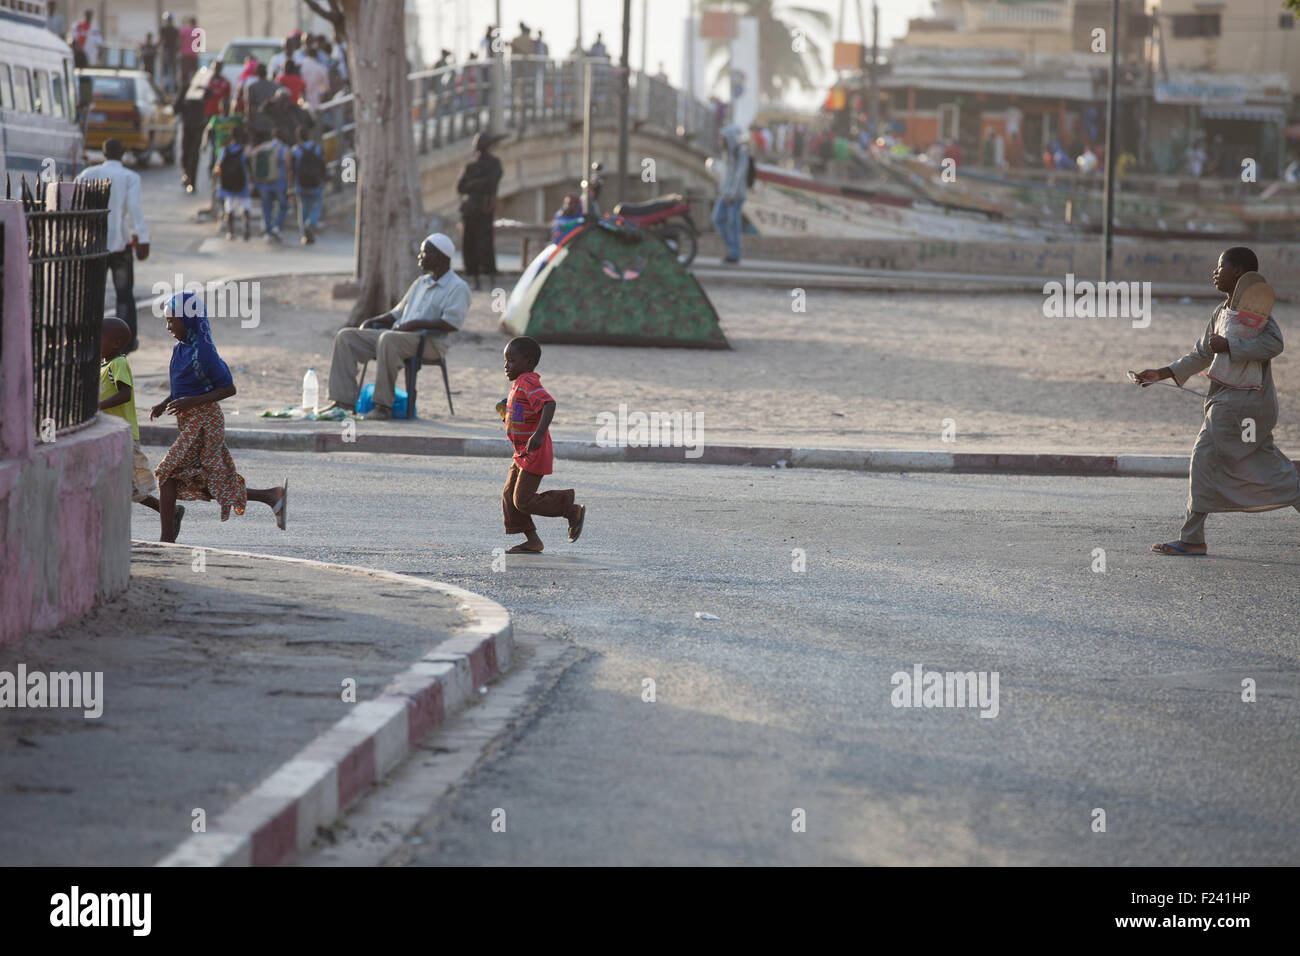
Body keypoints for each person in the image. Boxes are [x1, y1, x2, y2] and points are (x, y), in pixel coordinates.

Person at [1134, 247, 1300, 556]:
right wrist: (1161, 373)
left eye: (1220, 266)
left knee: (1205, 457)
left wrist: (1230, 344)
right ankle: (1192, 536)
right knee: (1265, 464)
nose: (1215, 272)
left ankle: (1193, 539)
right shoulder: (1222, 311)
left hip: (1243, 404)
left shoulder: (1257, 312)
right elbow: (1202, 353)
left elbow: (1274, 343)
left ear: (1237, 272)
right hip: (1232, 402)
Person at [150, 293, 287, 542]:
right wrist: (164, 403)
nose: (168, 327)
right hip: (188, 421)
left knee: (166, 472)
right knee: (208, 479)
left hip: (205, 421)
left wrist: (191, 402)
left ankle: (166, 540)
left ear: (189, 320)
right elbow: (183, 387)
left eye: (173, 321)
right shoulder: (180, 350)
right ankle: (271, 496)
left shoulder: (204, 352)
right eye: (167, 321)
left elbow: (228, 388)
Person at [321, 234, 471, 420]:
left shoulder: (458, 287)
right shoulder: (421, 282)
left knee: (388, 339)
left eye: (424, 253)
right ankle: (343, 402)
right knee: (346, 337)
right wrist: (373, 321)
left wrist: (413, 325)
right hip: (398, 336)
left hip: (430, 343)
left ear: (439, 257)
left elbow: (451, 324)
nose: (419, 257)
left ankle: (384, 406)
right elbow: (396, 313)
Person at [499, 335, 586, 553]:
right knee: (510, 496)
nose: (506, 366)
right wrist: (506, 412)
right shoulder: (519, 384)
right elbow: (522, 411)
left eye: (512, 361)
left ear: (528, 363)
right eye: (505, 360)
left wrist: (538, 435)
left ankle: (570, 509)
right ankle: (532, 541)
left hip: (534, 452)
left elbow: (548, 404)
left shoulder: (528, 380)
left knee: (523, 500)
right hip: (521, 453)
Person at [99, 316, 183, 533]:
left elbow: (124, 394)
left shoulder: (118, 363)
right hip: (110, 433)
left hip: (123, 434)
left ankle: (170, 513)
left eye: (99, 338)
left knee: (131, 486)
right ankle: (168, 513)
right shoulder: (104, 364)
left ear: (116, 343)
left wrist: (98, 406)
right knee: (118, 484)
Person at [75, 139, 149, 351]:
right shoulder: (130, 177)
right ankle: (125, 340)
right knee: (124, 293)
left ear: (103, 153)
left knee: (91, 293)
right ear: (124, 153)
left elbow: (76, 205)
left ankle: (89, 337)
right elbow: (135, 210)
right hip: (120, 244)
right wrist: (143, 238)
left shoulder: (87, 175)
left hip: (93, 244)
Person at [457, 133, 502, 290]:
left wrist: (473, 184)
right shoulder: (470, 165)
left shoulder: (494, 163)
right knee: (470, 245)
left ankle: (489, 279)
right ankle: (475, 278)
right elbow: (461, 187)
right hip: (470, 210)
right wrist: (478, 184)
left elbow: (491, 183)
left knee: (485, 245)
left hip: (484, 210)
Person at [712, 124, 749, 264]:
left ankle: (734, 253)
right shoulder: (728, 153)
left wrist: (732, 194)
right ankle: (731, 248)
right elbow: (726, 174)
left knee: (733, 222)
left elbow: (740, 175)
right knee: (717, 219)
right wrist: (723, 190)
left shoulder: (741, 152)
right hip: (725, 193)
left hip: (736, 194)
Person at [249, 127, 291, 241]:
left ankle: (267, 231)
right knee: (283, 206)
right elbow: (288, 165)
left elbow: (251, 154)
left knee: (267, 208)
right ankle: (277, 226)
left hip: (264, 183)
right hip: (280, 183)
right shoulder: (284, 148)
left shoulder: (263, 146)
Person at [214, 125, 253, 241]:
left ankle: (230, 231)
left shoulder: (224, 150)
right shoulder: (244, 150)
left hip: (227, 183)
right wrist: (252, 181)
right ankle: (246, 227)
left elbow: (218, 167)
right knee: (245, 206)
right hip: (242, 182)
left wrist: (216, 180)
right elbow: (249, 166)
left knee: (229, 207)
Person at [291, 125, 325, 244]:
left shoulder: (295, 149)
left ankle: (304, 234)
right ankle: (310, 223)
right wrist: (323, 178)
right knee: (317, 206)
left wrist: (291, 184)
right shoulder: (317, 148)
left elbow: (292, 168)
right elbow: (322, 165)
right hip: (316, 182)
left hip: (300, 184)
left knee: (302, 209)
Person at [174, 78, 208, 192]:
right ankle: (186, 174)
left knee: (194, 155)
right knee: (185, 154)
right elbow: (176, 108)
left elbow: (210, 95)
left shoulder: (202, 92)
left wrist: (203, 89)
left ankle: (192, 182)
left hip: (198, 128)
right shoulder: (185, 92)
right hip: (187, 128)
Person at [178, 16, 200, 91]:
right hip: (193, 55)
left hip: (185, 55)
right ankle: (194, 88)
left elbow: (179, 40)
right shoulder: (198, 31)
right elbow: (199, 44)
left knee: (185, 74)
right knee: (194, 73)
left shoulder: (184, 30)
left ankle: (184, 89)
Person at [159, 12, 179, 93]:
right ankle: (172, 87)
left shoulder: (164, 29)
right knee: (172, 70)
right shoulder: (174, 29)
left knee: (166, 70)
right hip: (172, 51)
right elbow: (178, 41)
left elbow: (160, 40)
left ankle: (167, 88)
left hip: (167, 51)